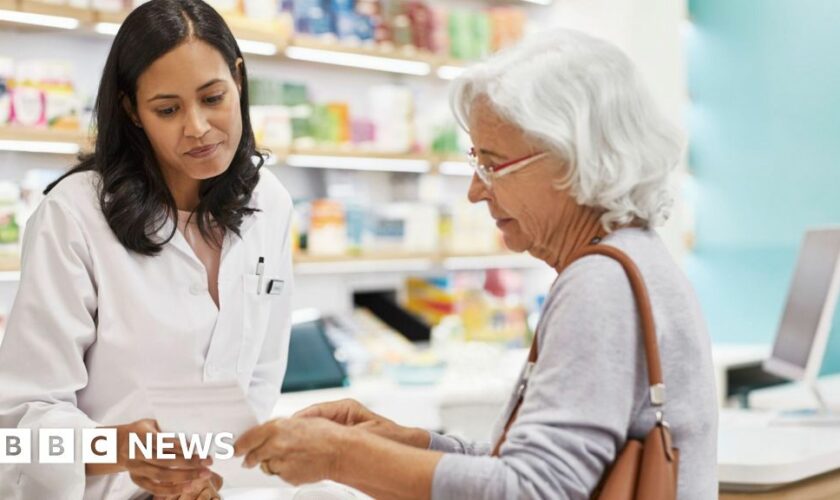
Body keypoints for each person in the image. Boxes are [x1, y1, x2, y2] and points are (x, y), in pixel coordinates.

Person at [232, 29, 718, 499]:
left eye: (492, 164)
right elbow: (537, 467)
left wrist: (343, 456)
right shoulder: (635, 257)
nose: (475, 190)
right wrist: (406, 444)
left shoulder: (600, 283)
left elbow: (531, 491)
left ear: (572, 161)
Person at [0, 0, 294, 498]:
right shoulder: (74, 216)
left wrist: (207, 476)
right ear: (131, 110)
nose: (198, 126)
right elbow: (15, 438)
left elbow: (259, 382)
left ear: (238, 81)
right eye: (168, 109)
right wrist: (113, 450)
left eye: (213, 97)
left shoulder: (271, 204)